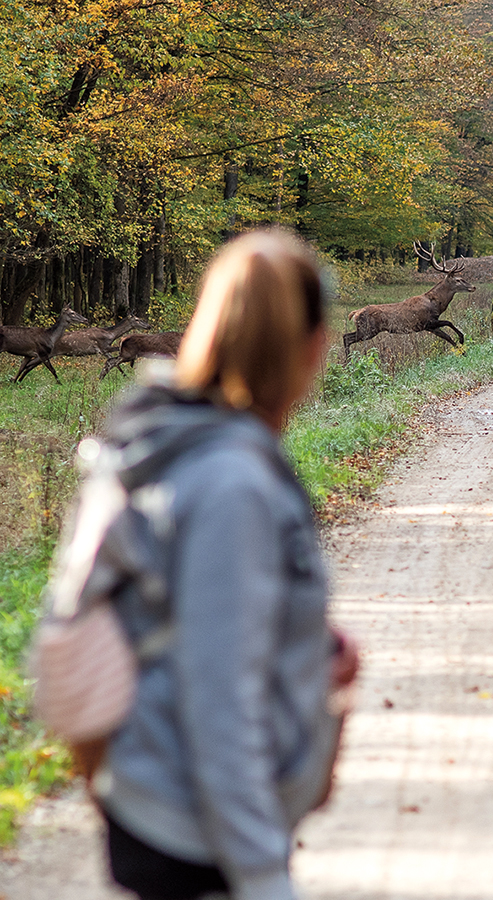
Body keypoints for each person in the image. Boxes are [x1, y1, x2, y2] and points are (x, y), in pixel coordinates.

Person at [89, 229, 358, 900]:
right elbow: (218, 697)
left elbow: (185, 609)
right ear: (311, 344)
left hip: (163, 806)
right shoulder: (231, 480)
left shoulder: (173, 437)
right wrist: (263, 875)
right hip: (200, 830)